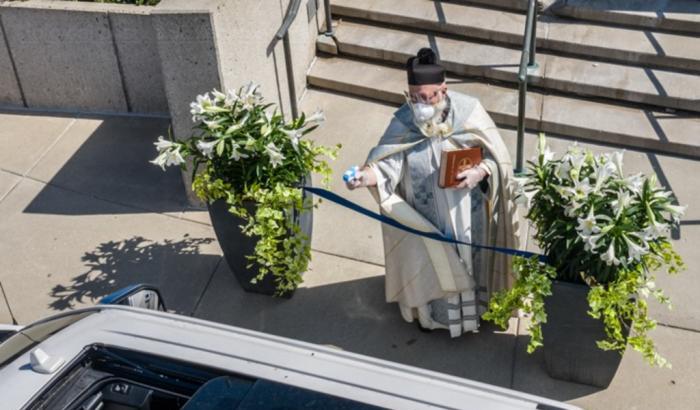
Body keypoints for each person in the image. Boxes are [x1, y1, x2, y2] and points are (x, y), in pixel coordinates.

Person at [345, 48, 521, 337]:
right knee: (433, 263)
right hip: (424, 216)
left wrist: (481, 172)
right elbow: (388, 164)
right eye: (415, 97)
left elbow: (498, 158)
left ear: (444, 90)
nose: (422, 104)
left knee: (467, 260)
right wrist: (365, 177)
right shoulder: (404, 120)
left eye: (429, 97)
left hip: (468, 213)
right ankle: (435, 319)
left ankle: (474, 314)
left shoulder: (470, 112)